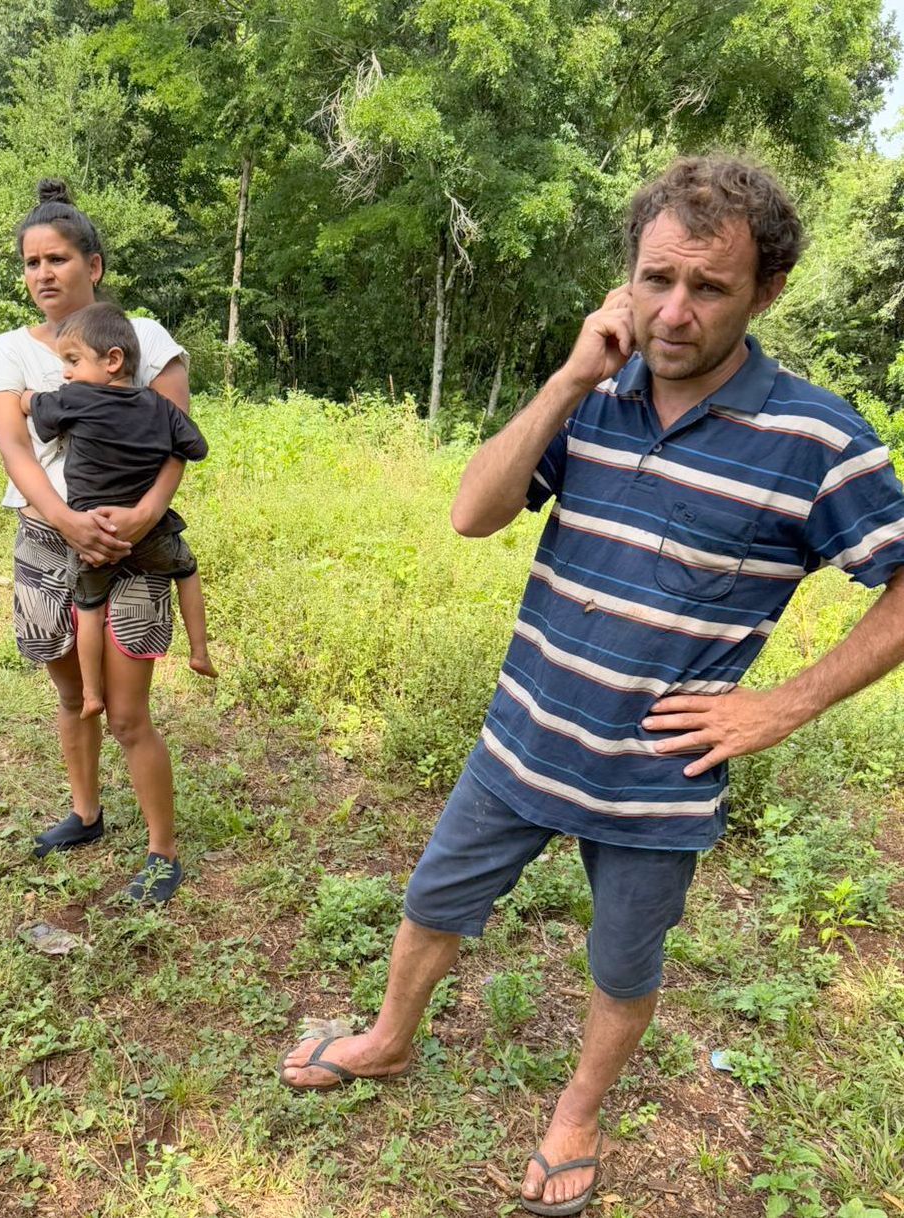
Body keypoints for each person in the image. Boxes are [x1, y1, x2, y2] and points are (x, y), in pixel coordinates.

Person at [277, 156, 904, 1215]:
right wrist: (569, 378)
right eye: (657, 278)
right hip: (523, 735)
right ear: (627, 275)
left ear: (767, 291)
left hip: (658, 777)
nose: (675, 310)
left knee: (621, 964)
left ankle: (575, 1113)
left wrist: (781, 705)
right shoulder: (597, 391)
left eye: (708, 287)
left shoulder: (817, 439)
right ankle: (388, 1040)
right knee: (433, 901)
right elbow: (474, 513)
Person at [0, 178, 190, 901]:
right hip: (45, 539)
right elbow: (15, 451)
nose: (43, 274)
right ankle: (85, 812)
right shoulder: (7, 352)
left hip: (132, 546)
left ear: (92, 265)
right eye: (32, 262)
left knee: (128, 712)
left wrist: (139, 517)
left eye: (58, 259)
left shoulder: (149, 340)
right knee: (72, 696)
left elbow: (174, 449)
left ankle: (162, 851)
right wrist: (68, 521)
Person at [21, 301, 215, 721]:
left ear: (112, 360)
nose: (67, 373)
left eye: (72, 361)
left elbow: (39, 412)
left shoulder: (76, 399)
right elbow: (195, 447)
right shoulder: (159, 406)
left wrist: (25, 397)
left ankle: (91, 693)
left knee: (88, 608)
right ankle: (199, 651)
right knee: (186, 570)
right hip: (149, 530)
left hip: (92, 532)